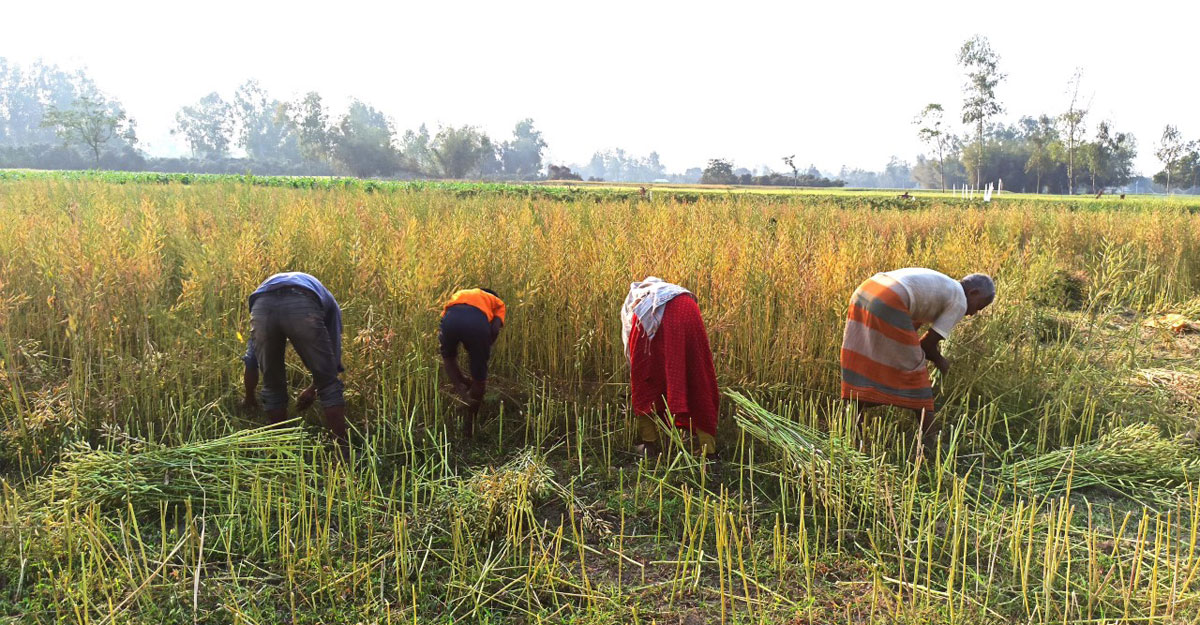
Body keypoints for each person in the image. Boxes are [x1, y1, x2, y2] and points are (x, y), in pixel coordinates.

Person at [840, 268, 995, 441]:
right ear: (974, 292)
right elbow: (926, 345)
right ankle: (930, 441)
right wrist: (941, 362)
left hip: (866, 291)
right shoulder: (959, 300)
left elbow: (909, 331)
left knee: (866, 363)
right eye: (978, 307)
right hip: (890, 299)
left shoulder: (943, 286)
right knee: (917, 376)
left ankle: (853, 429)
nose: (973, 313)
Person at [241, 272, 348, 449]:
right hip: (302, 300)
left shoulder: (265, 295)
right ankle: (342, 450)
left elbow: (252, 358)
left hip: (262, 304)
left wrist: (249, 397)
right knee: (329, 384)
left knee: (272, 384)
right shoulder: (329, 302)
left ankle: (280, 449)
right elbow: (332, 359)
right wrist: (316, 387)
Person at [621, 277, 720, 458]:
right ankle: (708, 450)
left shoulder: (637, 302)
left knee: (644, 379)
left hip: (658, 315)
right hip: (689, 310)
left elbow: (634, 358)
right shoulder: (675, 293)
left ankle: (649, 445)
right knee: (697, 377)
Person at [439, 288, 506, 438]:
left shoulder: (461, 293)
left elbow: (445, 315)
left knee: (448, 357)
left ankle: (460, 386)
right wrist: (483, 346)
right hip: (476, 326)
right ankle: (470, 425)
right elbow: (495, 329)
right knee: (479, 379)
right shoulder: (497, 302)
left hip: (449, 320)